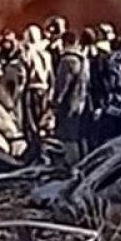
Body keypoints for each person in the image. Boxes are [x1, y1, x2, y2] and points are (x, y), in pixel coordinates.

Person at [52, 30, 89, 165]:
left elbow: (63, 84)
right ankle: (81, 161)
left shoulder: (68, 60)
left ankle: (69, 163)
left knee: (66, 134)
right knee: (76, 134)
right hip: (80, 101)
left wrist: (56, 101)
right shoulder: (82, 59)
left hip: (68, 103)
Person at [21, 25, 52, 144]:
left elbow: (25, 73)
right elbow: (50, 75)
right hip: (44, 89)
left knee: (31, 121)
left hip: (32, 89)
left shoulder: (28, 53)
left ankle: (35, 147)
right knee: (43, 121)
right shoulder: (46, 54)